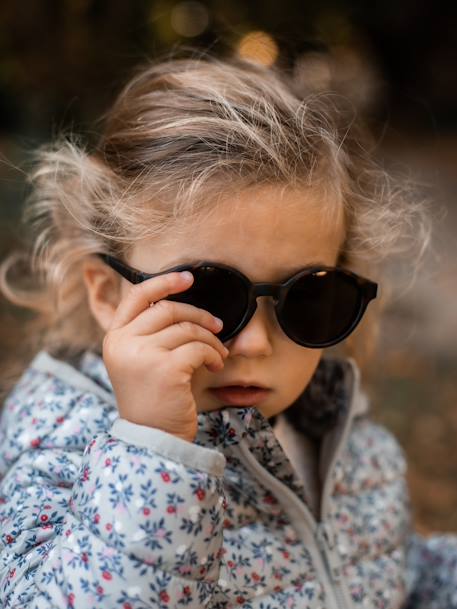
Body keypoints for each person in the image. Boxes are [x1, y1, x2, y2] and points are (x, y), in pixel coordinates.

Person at [0, 48, 455, 609]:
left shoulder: (331, 426)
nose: (257, 343)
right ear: (105, 291)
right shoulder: (58, 442)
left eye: (308, 298)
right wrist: (154, 452)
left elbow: (388, 569)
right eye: (208, 294)